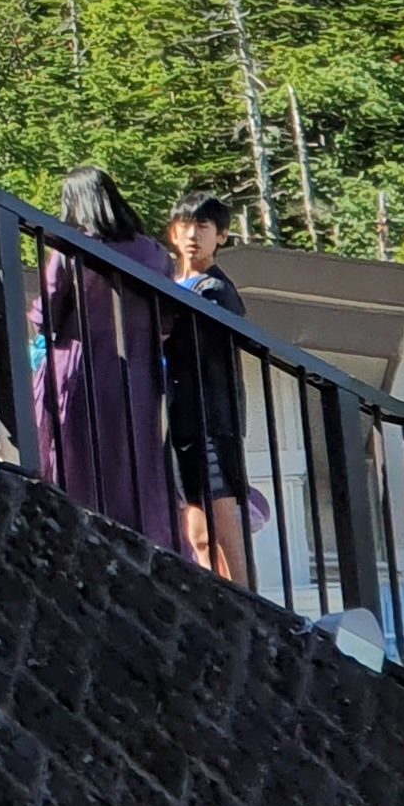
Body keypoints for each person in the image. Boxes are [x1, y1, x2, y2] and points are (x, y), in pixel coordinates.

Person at [30, 167, 181, 554]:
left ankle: (79, 544)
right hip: (139, 374)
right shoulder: (155, 253)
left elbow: (46, 313)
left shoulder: (70, 248)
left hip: (81, 368)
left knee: (75, 461)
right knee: (136, 464)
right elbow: (168, 316)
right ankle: (143, 547)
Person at [159, 191, 256, 586]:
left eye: (202, 226)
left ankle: (244, 599)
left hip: (213, 416)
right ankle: (215, 597)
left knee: (222, 521)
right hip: (182, 415)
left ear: (222, 236)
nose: (192, 235)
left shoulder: (215, 290)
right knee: (197, 530)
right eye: (184, 225)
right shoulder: (172, 283)